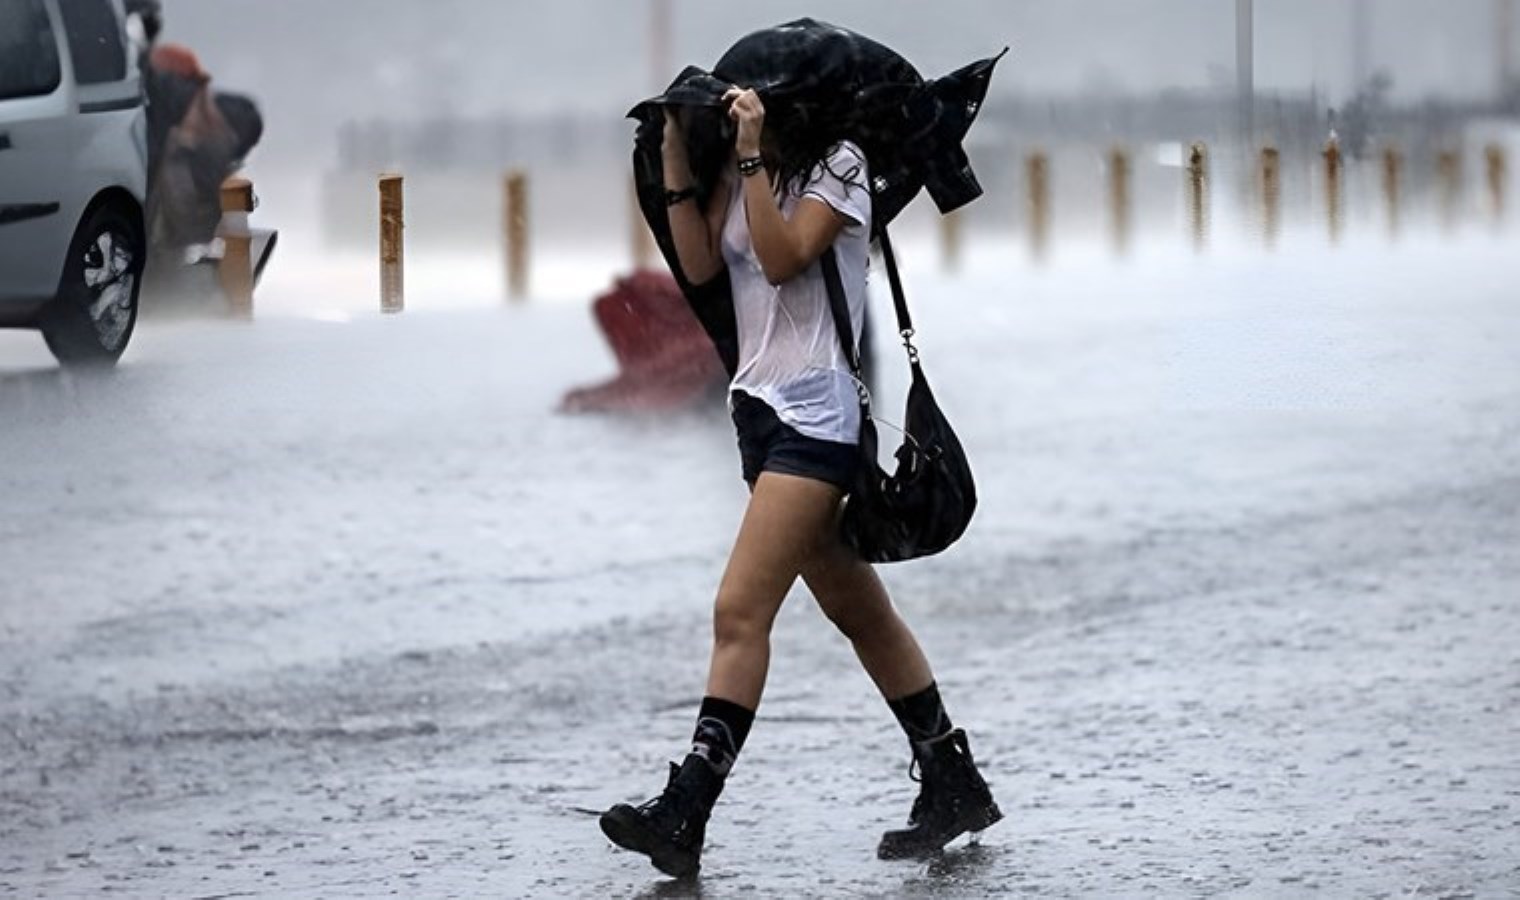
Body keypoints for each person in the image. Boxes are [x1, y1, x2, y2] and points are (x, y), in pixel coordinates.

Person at [598, 84, 1001, 879]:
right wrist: (677, 151)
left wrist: (750, 157)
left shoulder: (840, 167)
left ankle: (687, 809)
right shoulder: (745, 171)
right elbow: (700, 264)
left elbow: (784, 260)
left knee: (739, 611)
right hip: (760, 414)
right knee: (861, 612)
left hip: (817, 417)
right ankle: (952, 778)